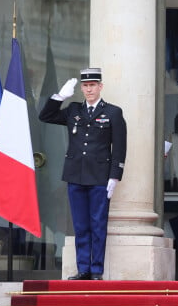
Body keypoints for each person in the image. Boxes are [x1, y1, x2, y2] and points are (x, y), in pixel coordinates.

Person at [39, 68, 127, 280]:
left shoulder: (113, 112)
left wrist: (115, 175)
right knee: (80, 225)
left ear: (100, 87)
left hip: (99, 176)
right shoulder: (73, 110)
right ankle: (83, 269)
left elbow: (120, 147)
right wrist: (59, 97)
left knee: (97, 224)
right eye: (85, 86)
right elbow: (45, 116)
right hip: (75, 175)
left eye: (93, 85)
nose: (89, 89)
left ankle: (96, 270)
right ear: (81, 88)